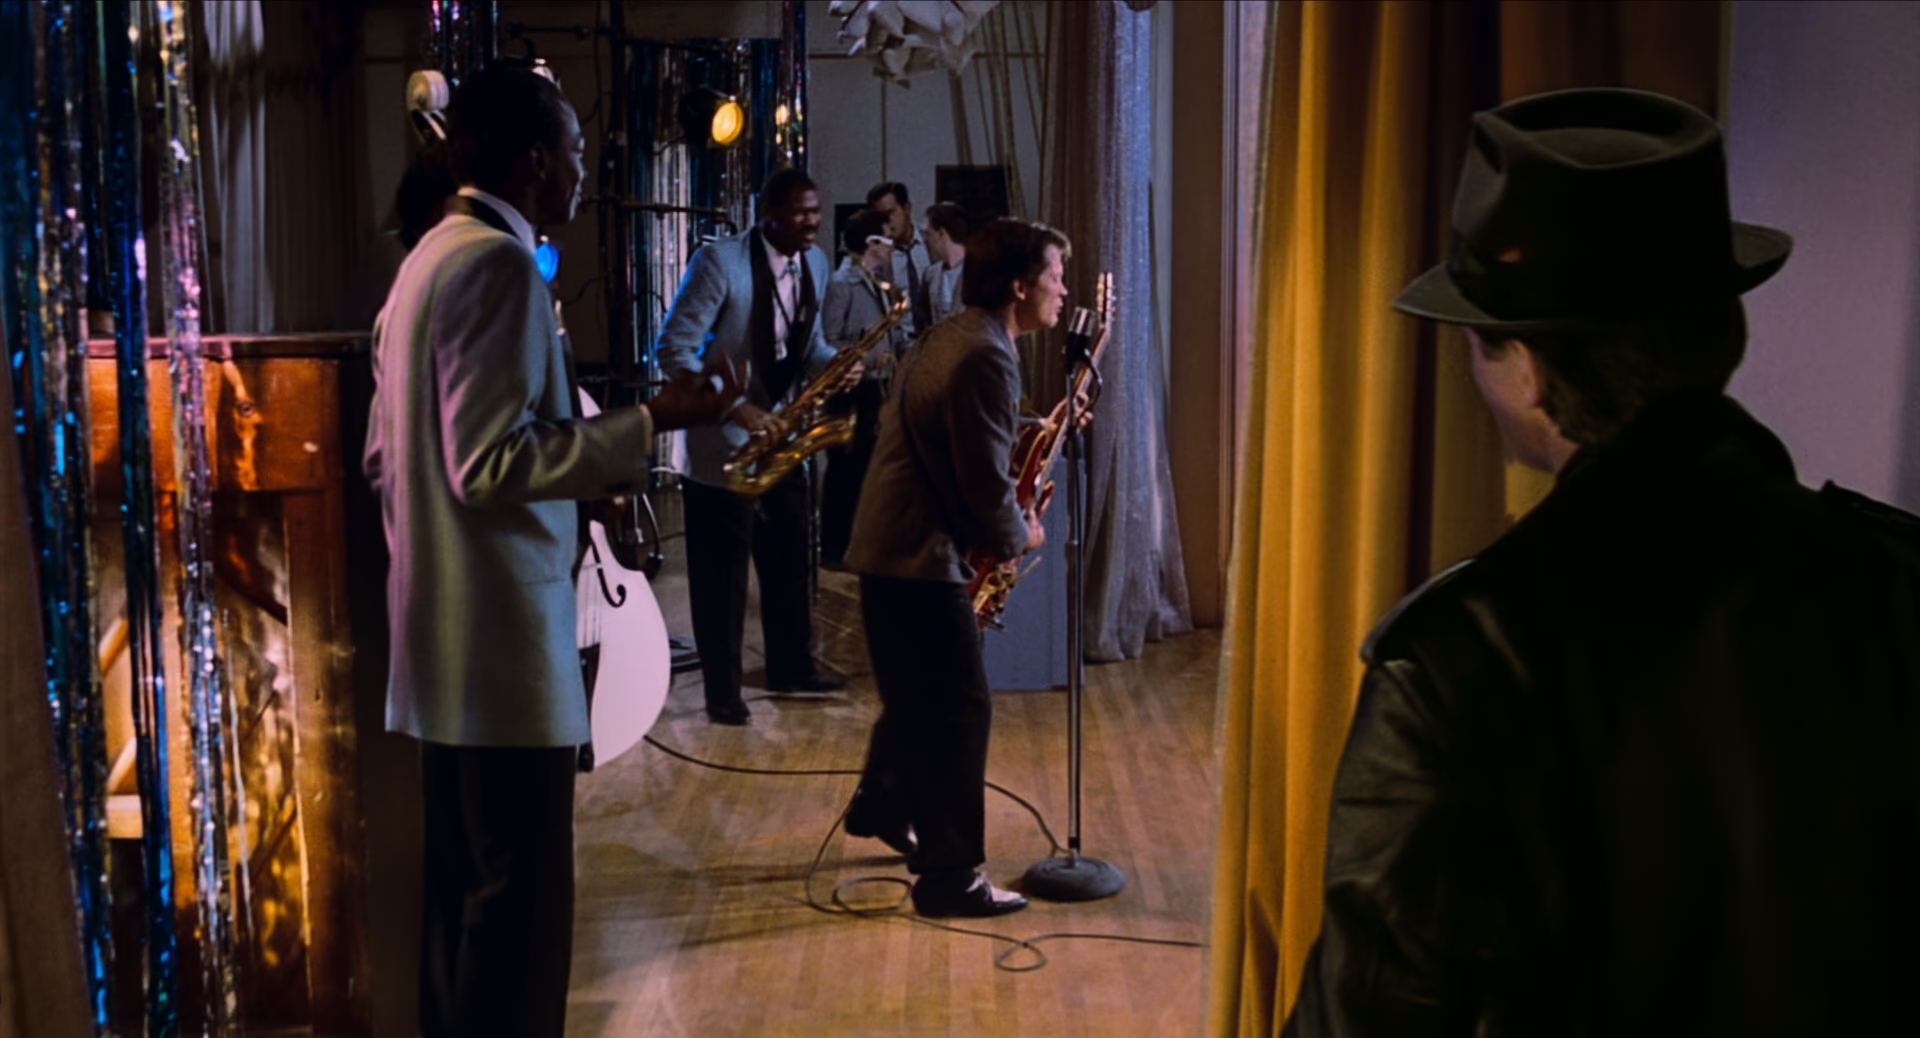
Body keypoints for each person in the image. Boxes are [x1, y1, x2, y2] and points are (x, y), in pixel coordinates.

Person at [1285, 87, 1920, 1035]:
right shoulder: (1900, 580)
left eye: (1477, 342)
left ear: (1530, 372)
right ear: (1722, 328)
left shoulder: (1456, 667)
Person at [364, 66, 735, 1038]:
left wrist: (561, 488)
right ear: (534, 160)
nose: (583, 170)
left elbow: (385, 461)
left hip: (437, 649)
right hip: (502, 652)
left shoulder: (423, 263)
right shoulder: (498, 268)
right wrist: (652, 420)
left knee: (460, 909)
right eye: (575, 151)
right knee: (519, 922)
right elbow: (488, 462)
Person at [841, 217, 1079, 918]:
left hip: (889, 549)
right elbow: (982, 485)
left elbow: (962, 447)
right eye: (1056, 275)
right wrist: (1021, 535)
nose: (1064, 289)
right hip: (919, 556)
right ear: (1020, 286)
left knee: (919, 696)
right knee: (960, 709)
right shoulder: (986, 357)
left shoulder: (949, 336)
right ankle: (951, 878)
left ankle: (882, 803)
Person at [656, 167, 854, 725]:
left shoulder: (816, 263)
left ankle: (791, 667)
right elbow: (673, 349)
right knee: (721, 580)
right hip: (722, 447)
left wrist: (836, 365)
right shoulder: (718, 262)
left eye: (816, 211)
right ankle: (722, 694)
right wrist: (733, 406)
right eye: (800, 212)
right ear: (767, 215)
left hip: (781, 437)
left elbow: (808, 345)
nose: (813, 222)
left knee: (790, 562)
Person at [819, 209, 911, 568]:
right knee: (845, 472)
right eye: (887, 240)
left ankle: (860, 545)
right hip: (850, 389)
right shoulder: (842, 284)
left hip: (874, 387)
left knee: (866, 470)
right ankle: (835, 549)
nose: (892, 248)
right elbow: (828, 340)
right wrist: (870, 357)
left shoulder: (879, 282)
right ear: (871, 243)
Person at [867, 180, 932, 335]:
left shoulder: (930, 241)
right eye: (881, 217)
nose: (887, 222)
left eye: (891, 213)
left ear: (907, 208)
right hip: (900, 340)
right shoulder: (880, 254)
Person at [917, 201, 970, 328]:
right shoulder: (930, 275)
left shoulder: (979, 270)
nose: (925, 239)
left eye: (928, 233)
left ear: (941, 234)